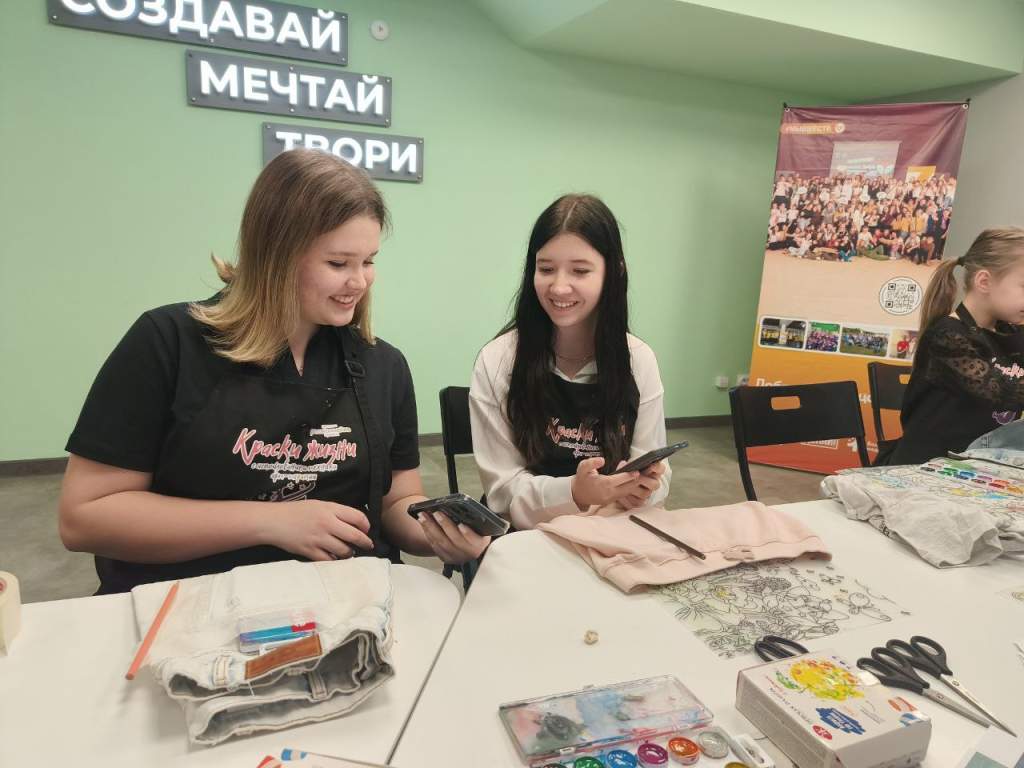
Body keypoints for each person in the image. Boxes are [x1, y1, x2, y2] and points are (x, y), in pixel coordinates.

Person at [59, 149, 488, 594]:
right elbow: (85, 517)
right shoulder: (167, 342)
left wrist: (440, 533)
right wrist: (271, 521)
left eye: (369, 261)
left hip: (343, 599)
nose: (359, 282)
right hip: (188, 600)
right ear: (275, 256)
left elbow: (397, 500)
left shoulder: (383, 365)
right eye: (338, 263)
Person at [469, 194, 671, 530]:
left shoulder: (638, 360)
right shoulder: (498, 360)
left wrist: (644, 490)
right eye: (546, 269)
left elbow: (656, 470)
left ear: (614, 272)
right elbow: (502, 493)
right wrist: (575, 493)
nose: (559, 287)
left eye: (580, 271)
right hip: (529, 537)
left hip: (614, 531)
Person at [878, 228, 1024, 465]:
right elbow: (1003, 390)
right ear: (984, 281)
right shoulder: (947, 336)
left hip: (979, 466)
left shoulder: (1013, 333)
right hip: (926, 466)